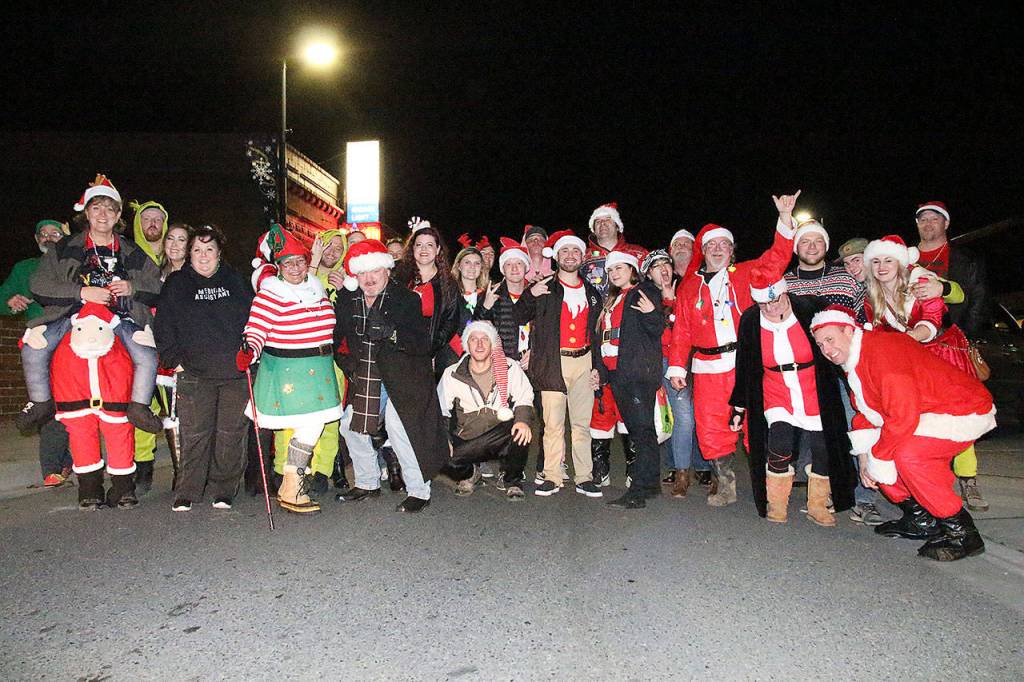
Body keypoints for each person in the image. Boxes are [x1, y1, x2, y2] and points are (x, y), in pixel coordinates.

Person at [811, 306, 995, 561]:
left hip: (961, 410)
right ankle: (921, 517)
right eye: (821, 345)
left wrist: (878, 455)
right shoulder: (857, 356)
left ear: (848, 330)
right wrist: (864, 455)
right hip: (924, 412)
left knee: (909, 456)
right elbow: (866, 411)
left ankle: (962, 533)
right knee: (881, 456)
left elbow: (902, 415)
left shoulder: (881, 352)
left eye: (830, 339)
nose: (827, 350)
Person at [666, 192, 800, 506]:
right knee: (711, 425)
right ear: (703, 251)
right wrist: (676, 367)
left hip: (747, 362)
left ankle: (767, 484)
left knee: (758, 422)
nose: (717, 249)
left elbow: (777, 258)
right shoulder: (689, 286)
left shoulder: (748, 273)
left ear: (731, 250)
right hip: (707, 366)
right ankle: (725, 484)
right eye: (711, 245)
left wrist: (784, 218)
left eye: (723, 244)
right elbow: (682, 330)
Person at [20, 175, 164, 434]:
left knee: (146, 354)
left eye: (110, 209)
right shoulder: (64, 247)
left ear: (118, 215)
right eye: (96, 207)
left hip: (119, 316)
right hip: (71, 315)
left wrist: (132, 287)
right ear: (86, 213)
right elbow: (38, 283)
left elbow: (157, 285)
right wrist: (80, 292)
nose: (103, 214)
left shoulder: (132, 251)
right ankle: (40, 401)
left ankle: (139, 406)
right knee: (33, 348)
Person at [862, 234, 988, 511]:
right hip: (910, 359)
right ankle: (925, 486)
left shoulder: (921, 282)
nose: (882, 267)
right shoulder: (873, 296)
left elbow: (932, 321)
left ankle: (967, 480)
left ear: (900, 263)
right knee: (916, 422)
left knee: (956, 417)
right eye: (876, 261)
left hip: (941, 354)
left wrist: (905, 339)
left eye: (888, 260)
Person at [729, 270, 856, 525]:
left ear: (784, 292)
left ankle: (818, 504)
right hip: (776, 387)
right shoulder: (751, 319)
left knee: (822, 446)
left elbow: (840, 340)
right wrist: (739, 406)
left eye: (774, 300)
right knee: (779, 442)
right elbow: (744, 363)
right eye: (762, 303)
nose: (769, 308)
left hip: (812, 385)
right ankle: (777, 503)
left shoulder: (810, 307)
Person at [333, 239, 449, 513]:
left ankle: (419, 490)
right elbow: (338, 341)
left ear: (386, 270)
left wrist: (391, 333)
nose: (369, 278)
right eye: (363, 273)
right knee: (350, 424)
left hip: (405, 376)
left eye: (375, 271)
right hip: (368, 375)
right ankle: (367, 482)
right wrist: (348, 364)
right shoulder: (348, 300)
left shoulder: (406, 299)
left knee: (400, 428)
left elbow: (422, 344)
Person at [237, 225, 342, 515]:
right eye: (288, 263)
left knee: (313, 427)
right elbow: (256, 329)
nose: (295, 268)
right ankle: (292, 485)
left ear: (307, 263)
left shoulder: (315, 287)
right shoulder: (271, 293)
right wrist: (250, 350)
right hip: (290, 371)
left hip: (319, 370)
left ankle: (290, 486)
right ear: (279, 267)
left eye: (299, 261)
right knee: (309, 427)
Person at [155, 225, 253, 511]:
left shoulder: (236, 281)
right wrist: (174, 360)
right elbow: (163, 325)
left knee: (230, 435)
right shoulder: (177, 283)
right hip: (194, 372)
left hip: (234, 373)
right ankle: (188, 490)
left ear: (219, 253)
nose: (203, 255)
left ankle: (224, 489)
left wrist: (251, 352)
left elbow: (253, 319)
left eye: (209, 249)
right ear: (189, 253)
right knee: (195, 434)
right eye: (197, 249)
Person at [513, 229, 603, 498]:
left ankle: (584, 476)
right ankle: (552, 475)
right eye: (565, 250)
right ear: (556, 256)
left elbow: (598, 333)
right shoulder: (544, 287)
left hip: (583, 360)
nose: (570, 255)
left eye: (575, 251)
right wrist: (530, 294)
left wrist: (598, 367)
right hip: (554, 361)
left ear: (582, 257)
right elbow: (519, 315)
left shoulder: (592, 293)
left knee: (581, 424)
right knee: (552, 424)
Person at [589, 249, 664, 509]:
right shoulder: (613, 299)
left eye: (619, 267)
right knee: (639, 430)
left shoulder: (643, 292)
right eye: (610, 270)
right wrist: (600, 370)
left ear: (632, 269)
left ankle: (639, 492)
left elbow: (656, 329)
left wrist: (653, 313)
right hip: (618, 375)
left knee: (641, 432)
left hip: (636, 375)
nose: (613, 273)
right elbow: (604, 339)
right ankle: (650, 484)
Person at [1, 219, 72, 487]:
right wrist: (10, 301)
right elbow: (3, 297)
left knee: (69, 402)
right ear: (36, 240)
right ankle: (55, 466)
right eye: (43, 234)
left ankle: (64, 460)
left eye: (55, 233)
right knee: (47, 402)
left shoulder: (72, 265)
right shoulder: (25, 268)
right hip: (40, 343)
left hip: (72, 341)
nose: (48, 237)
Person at [438, 321, 534, 501]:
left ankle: (512, 479)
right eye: (474, 339)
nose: (480, 344)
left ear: (493, 344)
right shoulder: (452, 373)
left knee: (521, 430)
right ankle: (471, 473)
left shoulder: (509, 367)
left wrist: (522, 420)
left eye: (485, 339)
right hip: (469, 438)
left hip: (500, 435)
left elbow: (524, 396)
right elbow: (441, 409)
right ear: (466, 345)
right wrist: (444, 439)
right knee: (438, 456)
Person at [641, 248, 708, 497]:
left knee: (690, 415)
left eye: (666, 264)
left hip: (688, 359)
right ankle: (679, 471)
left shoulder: (686, 291)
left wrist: (673, 301)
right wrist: (667, 304)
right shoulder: (644, 295)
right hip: (660, 361)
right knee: (676, 416)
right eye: (656, 266)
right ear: (648, 274)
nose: (663, 270)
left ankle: (694, 468)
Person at [394, 218, 459, 377]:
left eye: (429, 245)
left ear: (438, 249)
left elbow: (451, 321)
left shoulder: (448, 283)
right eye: (419, 245)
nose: (424, 249)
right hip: (397, 352)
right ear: (412, 248)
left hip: (429, 356)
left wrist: (431, 346)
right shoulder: (399, 276)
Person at [914, 201, 989, 338]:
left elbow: (978, 302)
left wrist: (963, 337)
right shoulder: (902, 258)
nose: (928, 224)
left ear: (946, 223)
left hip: (949, 337)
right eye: (923, 220)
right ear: (917, 223)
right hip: (910, 335)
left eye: (934, 219)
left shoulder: (966, 259)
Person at [783, 219, 864, 318]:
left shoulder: (848, 277)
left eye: (818, 241)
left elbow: (866, 318)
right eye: (805, 242)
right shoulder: (782, 284)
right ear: (796, 247)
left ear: (826, 246)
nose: (812, 247)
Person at [580, 202, 646, 298]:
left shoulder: (638, 253)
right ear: (593, 230)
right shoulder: (583, 257)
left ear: (617, 226)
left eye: (608, 219)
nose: (602, 223)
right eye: (598, 221)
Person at [450, 237, 490, 356]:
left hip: (482, 357)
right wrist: (463, 351)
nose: (472, 267)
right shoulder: (449, 295)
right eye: (467, 262)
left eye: (477, 263)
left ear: (481, 268)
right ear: (459, 266)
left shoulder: (488, 296)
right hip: (452, 357)